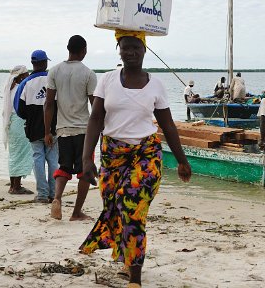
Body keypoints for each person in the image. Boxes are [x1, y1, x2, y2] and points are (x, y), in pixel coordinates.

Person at [79, 29, 192, 288]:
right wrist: (87, 159)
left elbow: (168, 125)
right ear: (118, 49)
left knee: (131, 207)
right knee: (115, 209)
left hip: (146, 154)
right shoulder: (107, 80)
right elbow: (95, 119)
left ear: (144, 50)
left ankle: (136, 278)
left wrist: (182, 160)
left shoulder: (156, 85)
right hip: (113, 156)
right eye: (124, 47)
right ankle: (127, 261)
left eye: (135, 47)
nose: (129, 52)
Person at [44, 35, 97, 221]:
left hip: (62, 129)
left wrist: (47, 132)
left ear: (68, 49)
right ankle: (76, 212)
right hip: (84, 130)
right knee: (85, 170)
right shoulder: (88, 73)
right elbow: (94, 106)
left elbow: (49, 104)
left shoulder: (54, 71)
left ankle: (57, 199)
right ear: (84, 51)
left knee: (64, 167)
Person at [14, 50, 57, 203]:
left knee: (38, 158)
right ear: (45, 62)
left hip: (33, 128)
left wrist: (30, 118)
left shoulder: (26, 83)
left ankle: (42, 195)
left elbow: (18, 108)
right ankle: (53, 194)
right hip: (53, 127)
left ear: (33, 63)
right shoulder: (53, 79)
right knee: (53, 159)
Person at [2, 65, 34, 195]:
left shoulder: (10, 89)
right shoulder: (19, 89)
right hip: (20, 123)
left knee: (14, 154)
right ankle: (16, 186)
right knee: (21, 153)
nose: (28, 76)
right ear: (21, 76)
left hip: (12, 123)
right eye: (26, 74)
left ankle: (14, 184)